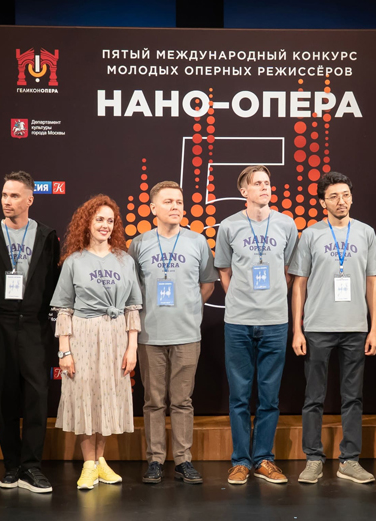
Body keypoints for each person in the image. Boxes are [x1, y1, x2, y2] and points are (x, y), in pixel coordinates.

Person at [289, 172, 376, 485]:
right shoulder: (310, 234)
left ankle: (350, 460)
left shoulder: (366, 233)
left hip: (356, 328)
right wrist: (298, 329)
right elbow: (299, 284)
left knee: (353, 397)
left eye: (345, 195)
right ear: (323, 202)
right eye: (333, 196)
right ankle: (313, 458)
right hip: (317, 327)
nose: (340, 201)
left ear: (352, 198)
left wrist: (374, 328)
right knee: (313, 397)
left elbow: (373, 282)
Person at [0, 171, 60, 493]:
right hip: (0, 323)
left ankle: (32, 467)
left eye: (14, 196)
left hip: (36, 325)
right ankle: (11, 466)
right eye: (4, 195)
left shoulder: (47, 236)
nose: (7, 201)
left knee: (36, 398)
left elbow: (52, 283)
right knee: (3, 397)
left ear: (29, 199)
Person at [129, 181, 218, 484]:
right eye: (168, 202)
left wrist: (189, 307)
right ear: (153, 208)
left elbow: (208, 284)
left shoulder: (197, 241)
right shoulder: (139, 244)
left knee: (182, 401)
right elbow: (133, 289)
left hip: (187, 335)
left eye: (179, 202)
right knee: (153, 401)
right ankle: (155, 460)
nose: (175, 207)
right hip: (150, 336)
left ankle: (183, 460)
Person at [51, 195, 142, 490]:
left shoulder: (125, 260)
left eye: (110, 220)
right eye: (99, 219)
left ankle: (100, 461)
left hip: (116, 336)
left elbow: (132, 307)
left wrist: (132, 347)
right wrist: (64, 351)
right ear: (87, 222)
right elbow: (64, 309)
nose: (105, 225)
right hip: (83, 335)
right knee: (85, 398)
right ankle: (88, 464)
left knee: (106, 399)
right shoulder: (73, 261)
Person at [214, 165, 298, 485]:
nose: (265, 187)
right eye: (257, 184)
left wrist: (271, 297)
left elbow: (290, 270)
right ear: (243, 192)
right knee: (238, 397)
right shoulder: (229, 226)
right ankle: (240, 461)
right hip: (238, 322)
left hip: (275, 321)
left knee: (269, 397)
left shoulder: (286, 224)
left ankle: (264, 459)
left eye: (267, 182)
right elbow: (224, 270)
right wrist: (241, 299)